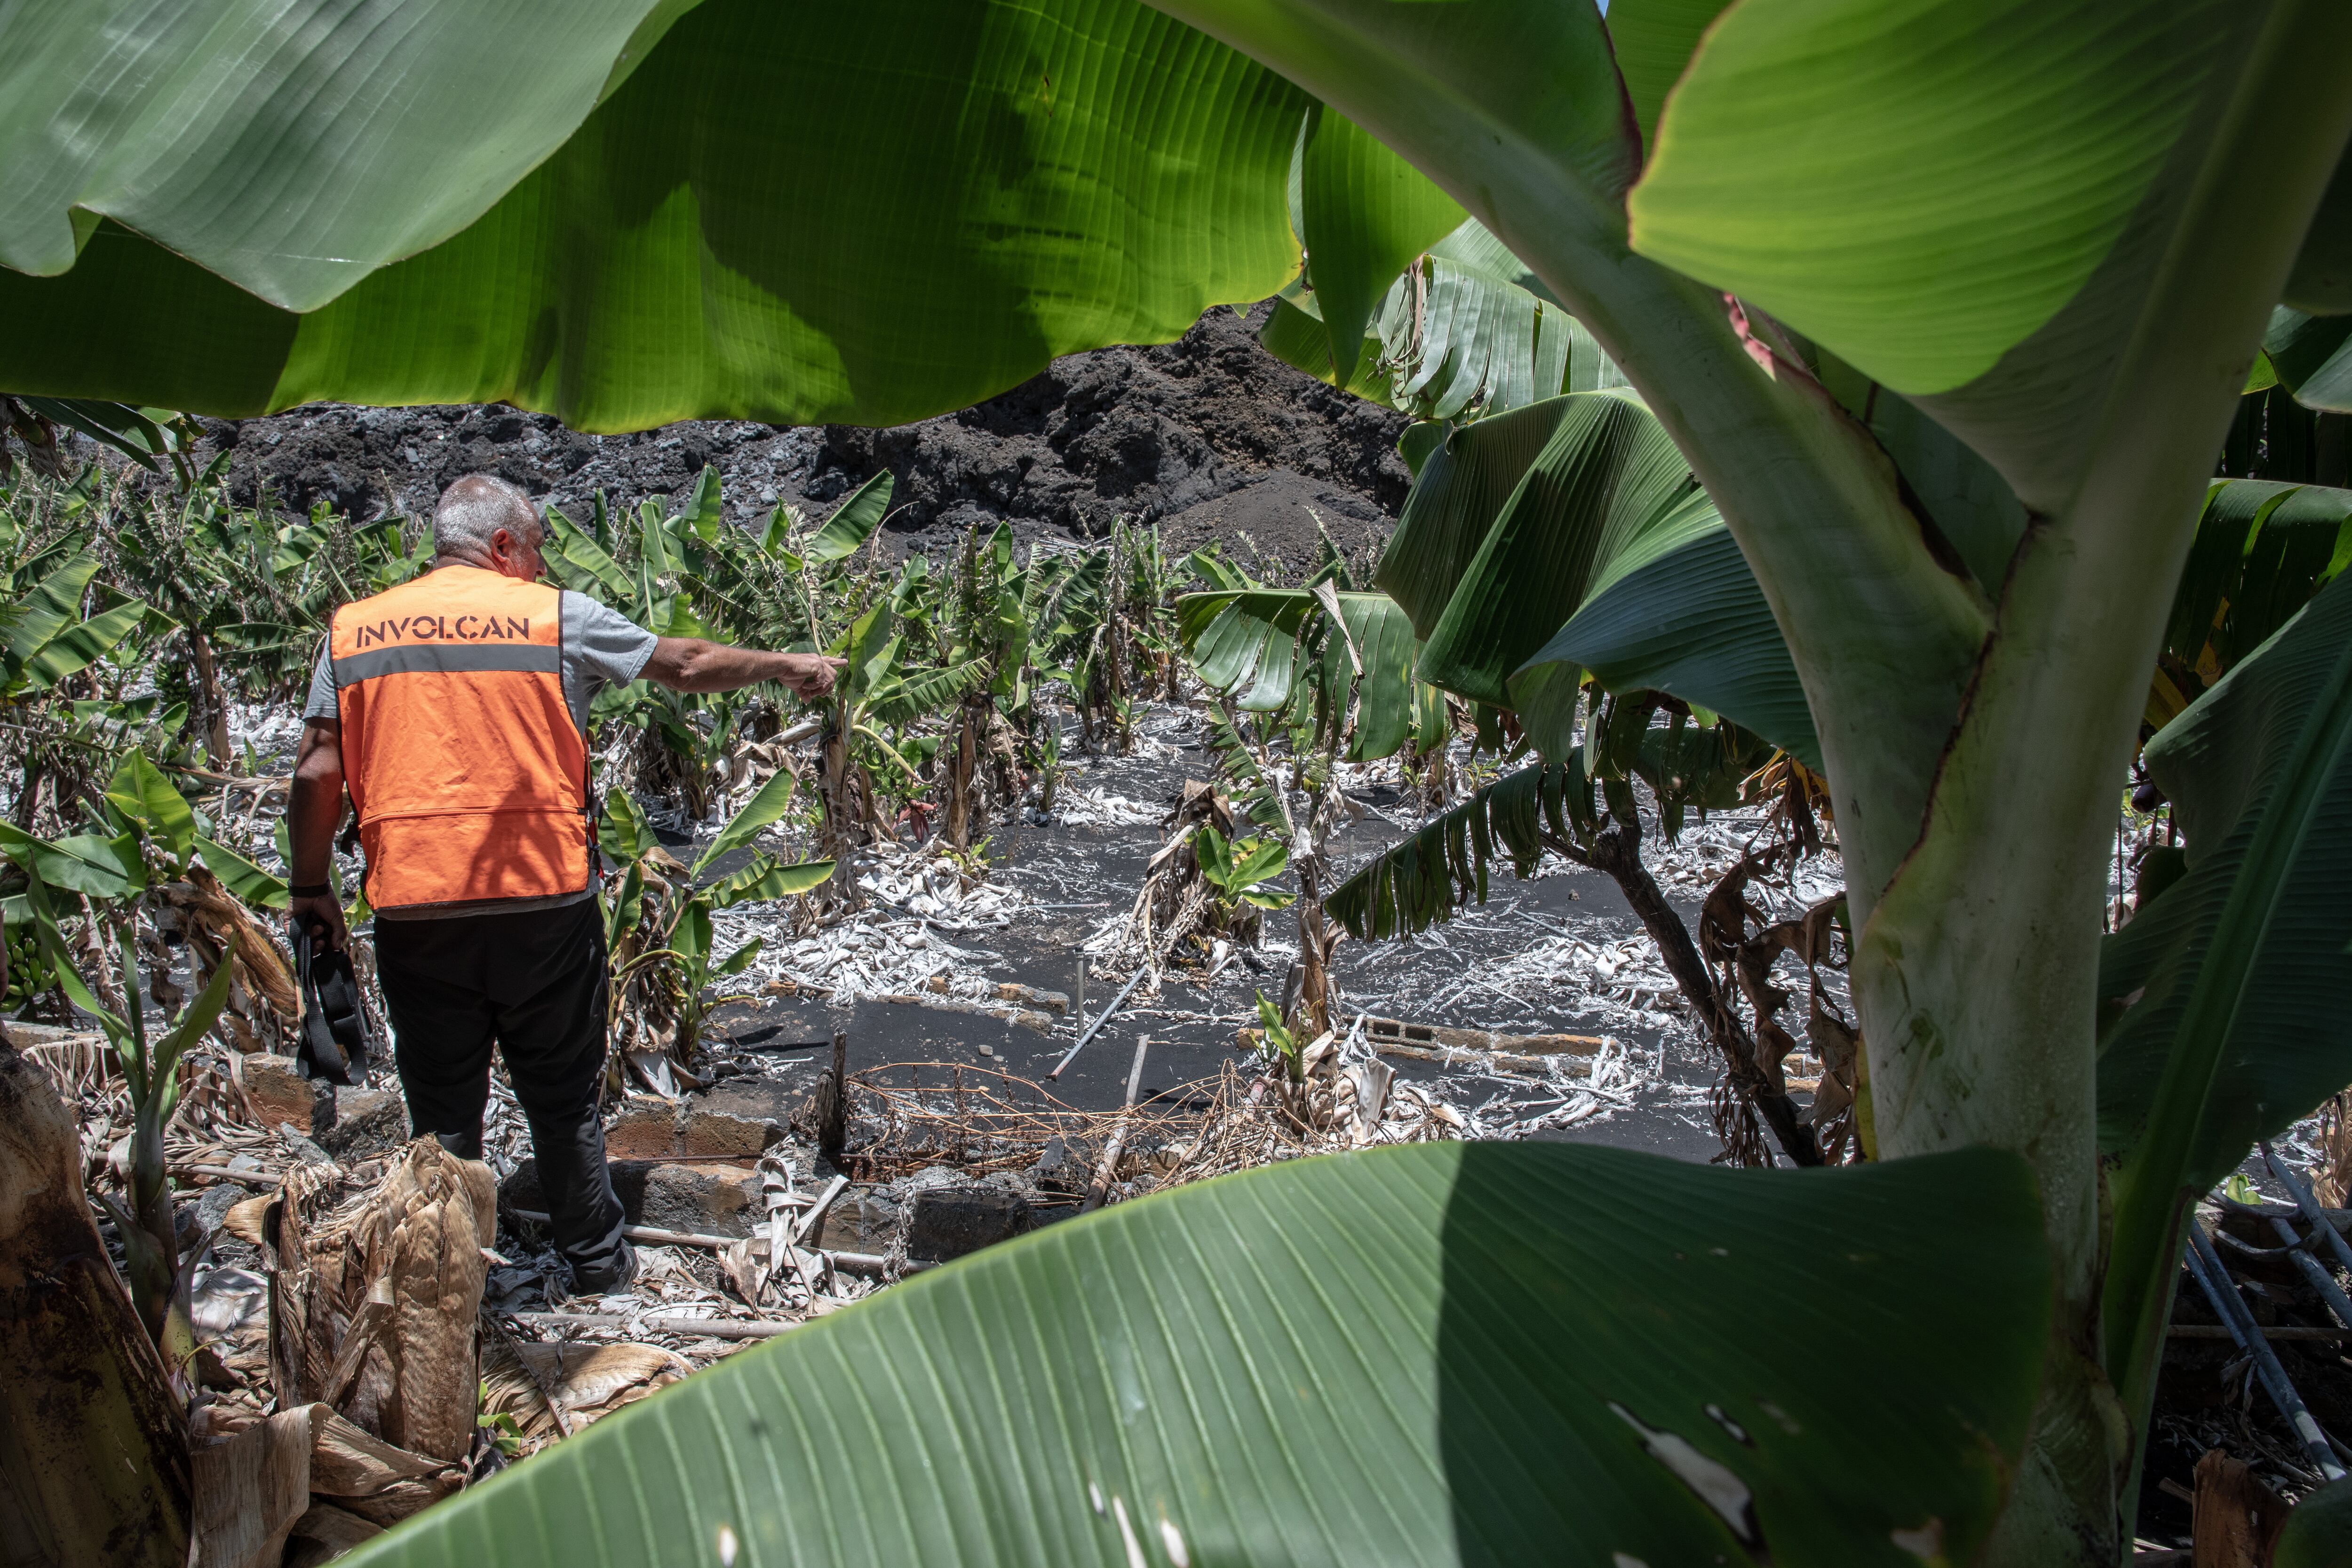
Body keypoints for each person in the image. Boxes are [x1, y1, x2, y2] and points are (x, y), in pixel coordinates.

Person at [286, 473, 842, 1293]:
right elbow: (684, 663)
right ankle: (596, 1267)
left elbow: (319, 768)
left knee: (440, 1114)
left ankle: (447, 1281)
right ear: (503, 545)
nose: (543, 563)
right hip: (544, 904)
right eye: (538, 547)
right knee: (561, 1097)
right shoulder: (553, 616)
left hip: (416, 905)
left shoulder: (356, 630)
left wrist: (309, 888)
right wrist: (785, 664)